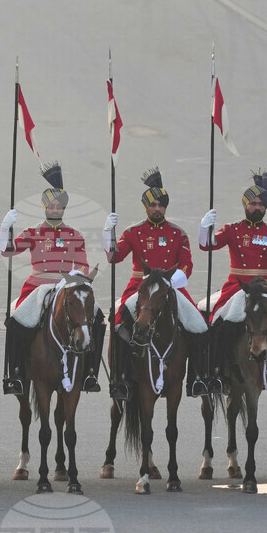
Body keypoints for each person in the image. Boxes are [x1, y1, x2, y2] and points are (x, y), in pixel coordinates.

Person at [199, 170, 267, 395]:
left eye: (261, 204)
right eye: (253, 203)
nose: (257, 207)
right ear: (245, 205)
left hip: (266, 288)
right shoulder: (232, 230)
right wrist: (205, 228)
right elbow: (208, 245)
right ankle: (218, 372)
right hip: (237, 287)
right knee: (220, 321)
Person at [103, 167, 208, 400]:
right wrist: (107, 234)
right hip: (140, 288)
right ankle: (120, 379)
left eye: (161, 205)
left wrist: (175, 281)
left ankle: (198, 379)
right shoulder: (133, 232)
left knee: (200, 326)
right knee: (119, 325)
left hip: (171, 288)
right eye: (153, 205)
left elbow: (187, 264)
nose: (157, 209)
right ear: (146, 207)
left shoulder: (177, 234)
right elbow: (114, 257)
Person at [0, 162, 102, 395]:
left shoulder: (74, 235)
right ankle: (15, 373)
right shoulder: (33, 232)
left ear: (64, 209)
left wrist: (78, 278)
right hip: (37, 287)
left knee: (97, 318)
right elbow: (9, 250)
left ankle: (90, 374)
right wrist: (6, 228)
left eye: (59, 206)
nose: (55, 209)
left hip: (67, 286)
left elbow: (83, 265)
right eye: (51, 205)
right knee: (16, 320)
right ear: (45, 207)